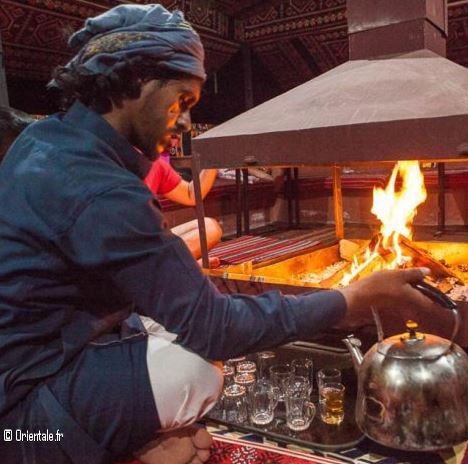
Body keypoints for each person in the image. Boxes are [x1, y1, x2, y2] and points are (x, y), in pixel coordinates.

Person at [0, 4, 440, 464]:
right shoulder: (97, 187)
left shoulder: (46, 140)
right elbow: (216, 328)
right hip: (20, 420)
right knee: (198, 369)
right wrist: (356, 297)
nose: (187, 122)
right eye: (183, 101)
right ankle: (71, 444)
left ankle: (130, 436)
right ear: (138, 83)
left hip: (51, 353)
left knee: (169, 332)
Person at [144, 149, 222, 265]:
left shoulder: (156, 164)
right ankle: (178, 266)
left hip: (153, 241)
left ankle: (177, 264)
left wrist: (214, 159)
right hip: (126, 246)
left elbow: (190, 195)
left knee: (210, 228)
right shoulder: (115, 164)